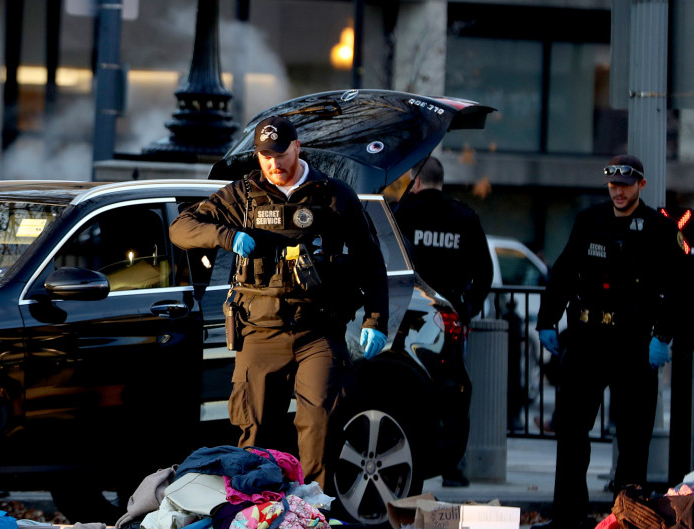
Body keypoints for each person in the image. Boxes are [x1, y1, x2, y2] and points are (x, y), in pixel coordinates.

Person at [169, 115, 390, 489]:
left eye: (281, 153)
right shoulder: (242, 194)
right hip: (260, 332)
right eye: (265, 156)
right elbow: (181, 228)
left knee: (320, 424)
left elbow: (370, 258)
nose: (274, 164)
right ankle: (257, 524)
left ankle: (314, 519)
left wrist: (376, 319)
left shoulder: (333, 195)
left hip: (318, 331)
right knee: (254, 435)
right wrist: (226, 235)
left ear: (297, 147)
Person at [529, 154, 682, 529]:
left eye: (626, 185)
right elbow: (563, 272)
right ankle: (567, 515)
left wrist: (662, 337)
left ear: (641, 186)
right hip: (587, 340)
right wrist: (547, 320)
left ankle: (627, 522)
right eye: (613, 184)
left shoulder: (659, 229)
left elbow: (676, 290)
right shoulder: (589, 220)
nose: (618, 191)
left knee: (632, 437)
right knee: (571, 430)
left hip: (633, 344)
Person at [393, 157, 493, 487]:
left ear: (416, 181)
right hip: (447, 320)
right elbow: (484, 273)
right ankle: (454, 465)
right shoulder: (464, 216)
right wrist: (466, 309)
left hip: (404, 318)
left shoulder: (401, 213)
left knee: (402, 388)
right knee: (450, 390)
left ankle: (406, 454)